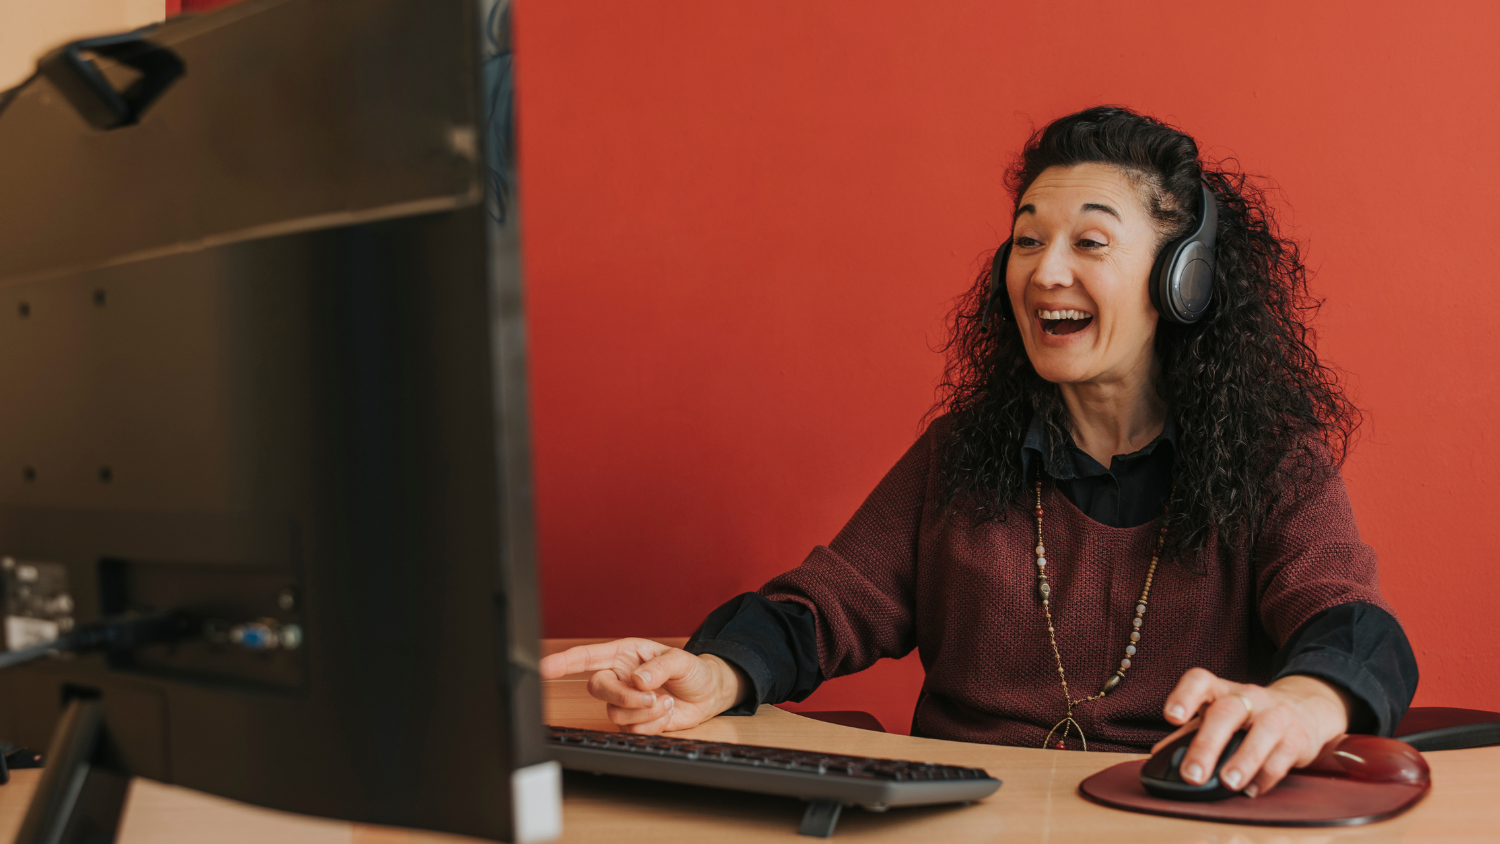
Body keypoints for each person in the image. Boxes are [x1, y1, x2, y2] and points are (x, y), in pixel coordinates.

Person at [540, 106, 1417, 798]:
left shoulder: (1272, 464)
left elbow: (1349, 622)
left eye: (1090, 241)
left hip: (1171, 820)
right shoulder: (964, 454)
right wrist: (717, 671)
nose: (1044, 272)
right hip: (963, 817)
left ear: (1181, 281)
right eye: (1028, 239)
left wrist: (1308, 702)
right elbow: (821, 608)